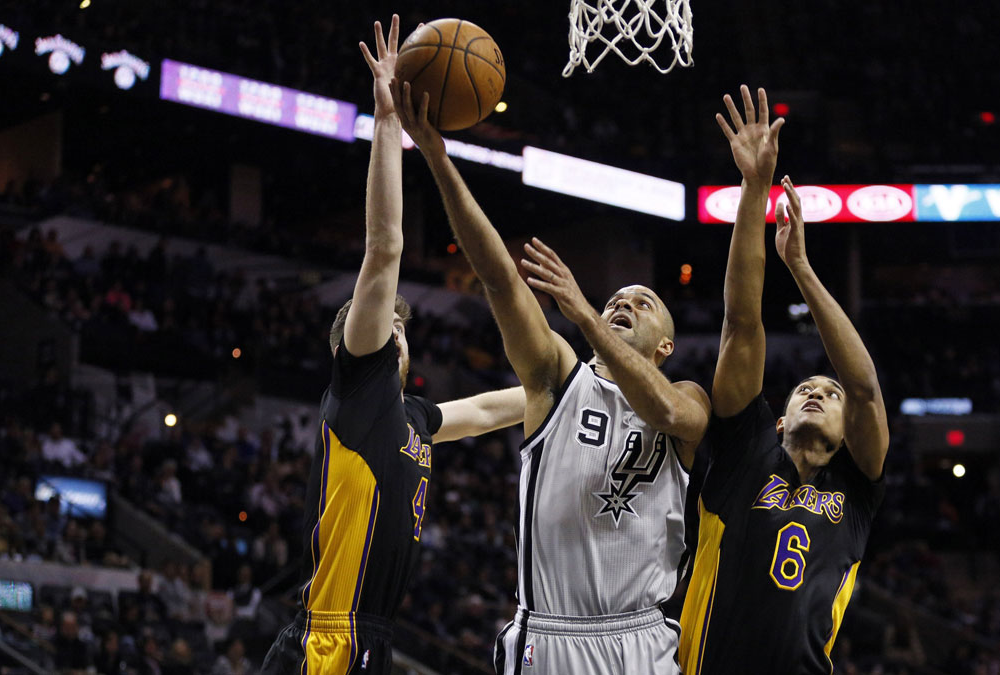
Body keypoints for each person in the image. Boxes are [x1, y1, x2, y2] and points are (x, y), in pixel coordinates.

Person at [392, 67, 712, 675]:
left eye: (642, 302)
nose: (623, 304)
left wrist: (588, 317)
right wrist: (436, 156)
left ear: (666, 345)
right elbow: (499, 277)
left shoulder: (686, 397)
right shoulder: (558, 378)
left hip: (644, 639)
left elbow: (671, 413)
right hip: (552, 640)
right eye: (616, 297)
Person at [259, 17, 525, 673]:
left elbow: (494, 409)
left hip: (371, 640)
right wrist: (386, 122)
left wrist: (597, 373)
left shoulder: (414, 419)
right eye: (382, 323)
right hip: (324, 638)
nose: (393, 325)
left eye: (399, 324)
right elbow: (384, 250)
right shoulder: (357, 390)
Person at [678, 86, 889, 674]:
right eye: (804, 390)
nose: (818, 391)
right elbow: (741, 324)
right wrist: (753, 190)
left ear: (848, 435)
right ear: (778, 419)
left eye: (830, 394)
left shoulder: (858, 491)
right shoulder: (747, 450)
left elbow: (865, 386)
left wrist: (802, 267)